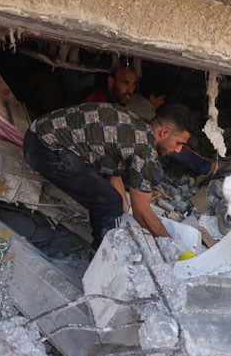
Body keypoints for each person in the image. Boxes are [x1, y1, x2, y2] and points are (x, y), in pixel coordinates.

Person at [22, 102, 195, 250]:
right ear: (164, 132)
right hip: (45, 149)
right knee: (108, 203)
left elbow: (114, 167)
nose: (178, 150)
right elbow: (141, 212)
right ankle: (100, 254)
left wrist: (124, 209)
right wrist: (171, 247)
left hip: (36, 132)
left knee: (148, 176)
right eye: (179, 143)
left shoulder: (138, 125)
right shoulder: (143, 149)